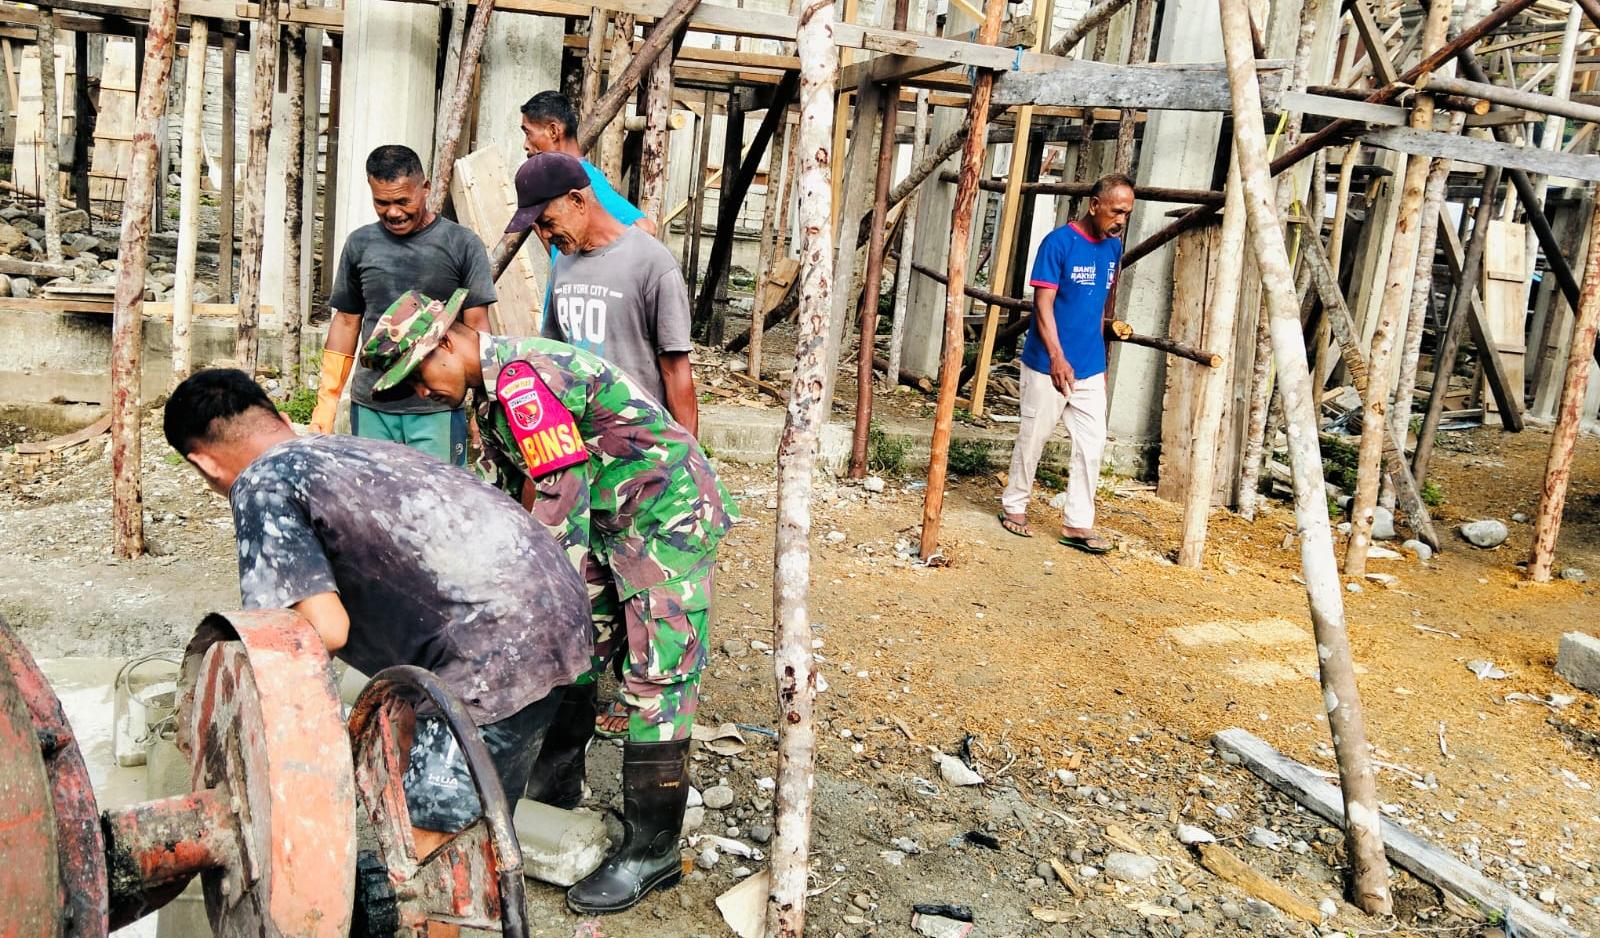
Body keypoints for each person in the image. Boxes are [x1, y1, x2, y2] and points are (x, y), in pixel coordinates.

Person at [163, 367, 593, 937]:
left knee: (427, 854)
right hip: (560, 604)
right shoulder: (347, 450)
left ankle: (444, 915)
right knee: (458, 792)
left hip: (496, 644)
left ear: (204, 463)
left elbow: (322, 631)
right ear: (277, 417)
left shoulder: (259, 482)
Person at [359, 286, 736, 915]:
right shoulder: (490, 402)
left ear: (447, 341)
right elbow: (504, 505)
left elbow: (562, 500)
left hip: (666, 518)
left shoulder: (522, 382)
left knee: (658, 674)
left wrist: (538, 598)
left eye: (419, 375)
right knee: (573, 649)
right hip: (614, 520)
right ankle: (554, 793)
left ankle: (653, 849)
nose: (422, 393)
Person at [306, 144, 498, 467]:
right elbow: (346, 322)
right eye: (382, 202)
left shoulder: (462, 245)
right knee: (374, 492)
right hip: (372, 406)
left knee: (440, 495)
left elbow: (478, 327)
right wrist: (326, 402)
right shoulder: (360, 245)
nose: (393, 212)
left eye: (402, 201)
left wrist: (484, 404)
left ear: (425, 189)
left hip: (436, 409)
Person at [509, 150, 700, 437]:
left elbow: (676, 372)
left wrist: (690, 455)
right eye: (537, 227)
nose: (544, 235)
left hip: (639, 445)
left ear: (577, 200)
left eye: (547, 223)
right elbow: (554, 356)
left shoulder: (652, 262)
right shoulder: (562, 264)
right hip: (581, 441)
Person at [998, 173, 1135, 554]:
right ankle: (1014, 504)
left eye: (1127, 213)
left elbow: (1098, 306)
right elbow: (1042, 305)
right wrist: (1057, 357)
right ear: (1094, 205)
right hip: (1046, 364)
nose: (1121, 220)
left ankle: (1077, 523)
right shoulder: (1057, 243)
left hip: (1089, 366)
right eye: (1116, 211)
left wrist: (1099, 364)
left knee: (1092, 444)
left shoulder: (1113, 248)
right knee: (1034, 437)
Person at [519, 90, 653, 235]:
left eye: (528, 133)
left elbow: (646, 228)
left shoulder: (584, 178)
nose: (525, 145)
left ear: (553, 131)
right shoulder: (557, 181)